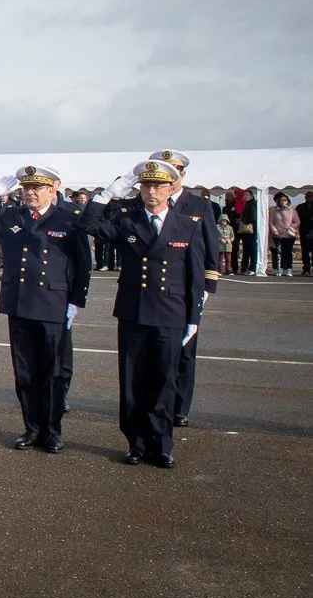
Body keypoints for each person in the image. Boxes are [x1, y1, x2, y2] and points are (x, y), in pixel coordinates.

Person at [80, 160, 207, 468]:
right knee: (133, 382)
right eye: (146, 185)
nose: (152, 191)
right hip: (134, 312)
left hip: (170, 313)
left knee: (164, 381)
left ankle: (162, 444)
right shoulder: (128, 221)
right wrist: (108, 194)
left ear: (171, 188)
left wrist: (194, 318)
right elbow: (88, 225)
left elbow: (195, 274)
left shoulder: (188, 223)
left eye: (158, 186)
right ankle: (135, 443)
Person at [0, 166, 91, 454]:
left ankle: (52, 431)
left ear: (53, 190)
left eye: (38, 188)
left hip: (52, 304)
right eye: (26, 188)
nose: (31, 193)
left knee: (52, 371)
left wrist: (76, 300)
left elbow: (83, 263)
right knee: (24, 372)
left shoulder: (68, 218)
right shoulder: (13, 216)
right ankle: (31, 428)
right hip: (20, 301)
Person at [150, 151, 222, 427]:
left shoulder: (198, 205)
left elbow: (210, 244)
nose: (173, 176)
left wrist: (207, 286)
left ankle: (179, 406)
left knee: (185, 350)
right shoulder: (148, 200)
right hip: (155, 289)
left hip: (187, 286)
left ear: (182, 175)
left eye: (176, 172)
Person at [269, 192, 298, 276]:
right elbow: (271, 222)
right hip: (278, 235)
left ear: (288, 201)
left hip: (289, 235)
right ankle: (280, 269)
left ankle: (289, 269)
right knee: (279, 252)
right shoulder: (274, 210)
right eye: (281, 200)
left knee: (288, 252)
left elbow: (297, 222)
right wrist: (275, 231)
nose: (283, 202)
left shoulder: (292, 210)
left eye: (285, 200)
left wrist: (290, 227)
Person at [298, 193, 313, 277]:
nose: (309, 198)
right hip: (304, 230)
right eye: (308, 196)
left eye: (311, 196)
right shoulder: (300, 207)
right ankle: (306, 269)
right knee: (305, 251)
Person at [216, 211, 235, 276]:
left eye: (225, 220)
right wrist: (220, 239)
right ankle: (221, 270)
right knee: (220, 258)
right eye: (223, 220)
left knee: (228, 259)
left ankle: (229, 270)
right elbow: (215, 235)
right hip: (220, 245)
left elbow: (232, 236)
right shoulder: (217, 227)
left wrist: (230, 240)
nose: (224, 222)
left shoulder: (230, 228)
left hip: (228, 245)